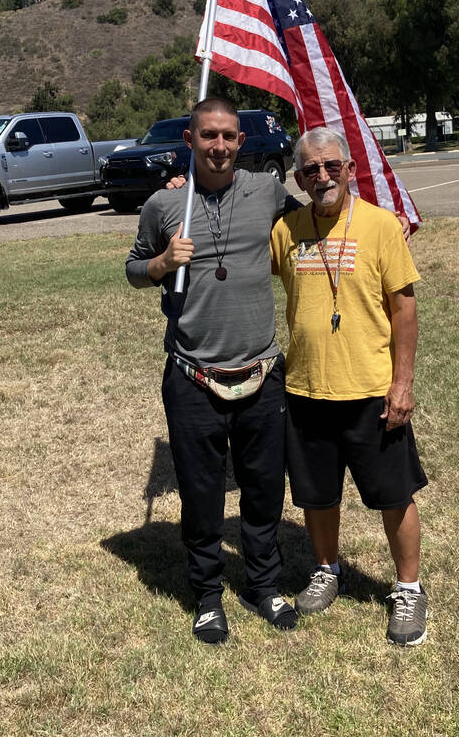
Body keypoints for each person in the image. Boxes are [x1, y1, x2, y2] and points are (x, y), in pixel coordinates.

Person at [125, 98, 298, 644]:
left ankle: (263, 584)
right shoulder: (163, 204)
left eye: (228, 136)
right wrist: (160, 264)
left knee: (264, 487)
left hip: (261, 371)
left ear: (241, 143)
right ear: (190, 140)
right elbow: (132, 268)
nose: (219, 146)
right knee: (201, 493)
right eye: (208, 136)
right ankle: (207, 596)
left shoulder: (266, 192)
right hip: (192, 373)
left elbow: (316, 216)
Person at [270, 127, 429, 646]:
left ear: (349, 169)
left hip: (370, 390)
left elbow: (404, 309)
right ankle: (326, 569)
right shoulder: (286, 231)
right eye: (311, 169)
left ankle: (407, 588)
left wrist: (401, 383)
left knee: (393, 495)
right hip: (307, 389)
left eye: (331, 166)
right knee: (316, 496)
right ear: (298, 178)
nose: (322, 176)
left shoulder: (381, 227)